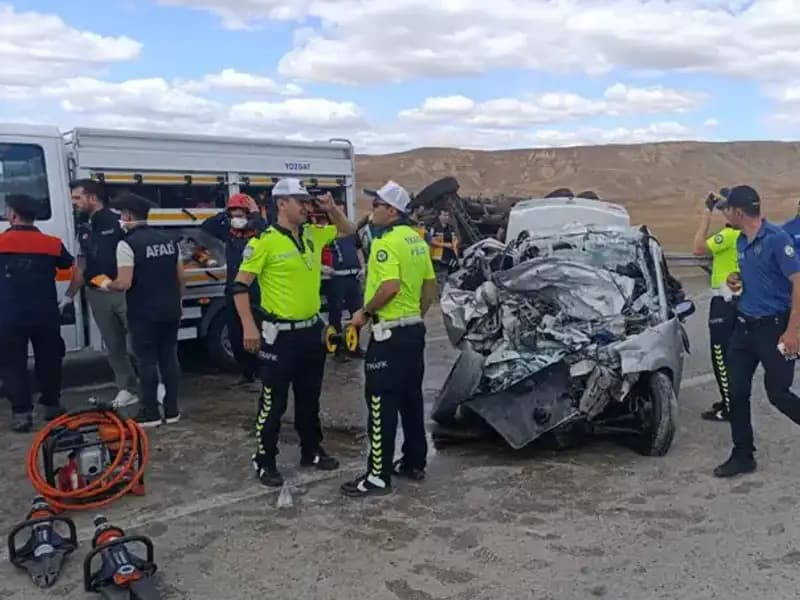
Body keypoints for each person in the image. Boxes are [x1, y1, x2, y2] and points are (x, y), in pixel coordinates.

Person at [232, 178, 357, 487]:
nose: (306, 206)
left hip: (311, 332)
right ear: (282, 204)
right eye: (299, 201)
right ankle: (265, 459)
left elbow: (348, 230)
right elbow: (240, 286)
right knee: (273, 402)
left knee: (309, 397)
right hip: (280, 336)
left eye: (307, 200)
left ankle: (311, 450)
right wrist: (249, 325)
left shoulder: (313, 234)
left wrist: (332, 209)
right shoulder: (263, 242)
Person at [340, 180, 437, 498]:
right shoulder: (416, 240)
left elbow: (389, 287)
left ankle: (377, 476)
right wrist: (416, 316)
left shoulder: (386, 243)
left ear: (392, 211)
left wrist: (363, 314)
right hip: (413, 331)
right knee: (411, 400)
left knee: (381, 402)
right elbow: (429, 287)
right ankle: (413, 461)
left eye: (376, 205)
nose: (372, 212)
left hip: (389, 336)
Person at [712, 185, 800, 477]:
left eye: (727, 209)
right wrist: (737, 282)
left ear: (738, 212)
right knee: (736, 392)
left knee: (778, 393)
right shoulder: (740, 241)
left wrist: (793, 331)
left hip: (775, 329)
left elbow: (798, 284)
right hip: (744, 327)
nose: (725, 214)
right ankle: (742, 455)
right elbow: (757, 276)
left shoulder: (777, 239)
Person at [105, 193, 184, 428]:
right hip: (170, 310)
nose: (120, 220)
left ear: (128, 216)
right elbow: (180, 277)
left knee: (146, 362)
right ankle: (172, 410)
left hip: (144, 313)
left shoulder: (127, 244)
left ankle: (150, 413)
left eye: (121, 215)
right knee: (169, 358)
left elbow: (124, 282)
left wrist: (105, 284)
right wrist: (177, 302)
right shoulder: (169, 240)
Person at [0, 194, 73, 432]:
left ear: (13, 215)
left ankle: (21, 413)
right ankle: (51, 405)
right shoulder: (52, 244)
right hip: (45, 314)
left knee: (12, 364)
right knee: (49, 360)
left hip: (9, 315)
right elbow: (67, 264)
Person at [65, 179, 139, 409]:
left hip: (125, 292)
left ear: (93, 197)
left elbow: (138, 251)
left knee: (138, 342)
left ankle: (155, 386)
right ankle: (127, 388)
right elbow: (81, 265)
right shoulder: (84, 228)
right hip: (97, 294)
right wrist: (69, 296)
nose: (74, 203)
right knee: (114, 346)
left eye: (77, 198)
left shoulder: (118, 222)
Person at [201, 193, 267, 385]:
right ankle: (247, 373)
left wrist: (255, 214)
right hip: (233, 290)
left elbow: (265, 229)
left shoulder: (259, 234)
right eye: (233, 215)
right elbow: (207, 226)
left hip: (257, 292)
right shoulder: (229, 234)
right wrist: (225, 213)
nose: (237, 219)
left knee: (260, 334)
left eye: (240, 215)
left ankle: (263, 372)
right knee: (236, 335)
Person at [692, 189, 741, 422]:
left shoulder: (728, 236)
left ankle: (730, 408)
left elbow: (698, 248)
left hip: (724, 301)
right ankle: (730, 400)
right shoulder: (746, 235)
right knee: (734, 355)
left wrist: (706, 214)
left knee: (720, 356)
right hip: (737, 299)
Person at [325, 196, 365, 361]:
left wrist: (363, 267)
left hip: (353, 277)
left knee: (358, 312)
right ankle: (337, 349)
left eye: (341, 211)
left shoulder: (351, 232)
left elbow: (358, 250)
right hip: (336, 279)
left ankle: (353, 346)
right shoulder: (326, 232)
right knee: (336, 315)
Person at [428, 208, 459, 289]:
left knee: (450, 278)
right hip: (439, 258)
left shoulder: (451, 228)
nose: (446, 217)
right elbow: (431, 241)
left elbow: (455, 239)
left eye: (447, 215)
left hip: (450, 257)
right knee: (440, 278)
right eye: (444, 215)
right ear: (439, 216)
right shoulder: (434, 228)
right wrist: (445, 245)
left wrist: (455, 243)